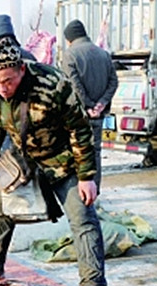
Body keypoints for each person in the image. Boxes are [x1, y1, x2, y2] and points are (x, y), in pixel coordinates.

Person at [0, 37, 106, 286]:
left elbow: (80, 130)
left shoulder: (54, 84)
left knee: (82, 217)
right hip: (22, 158)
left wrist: (86, 175)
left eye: (8, 81)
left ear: (22, 70)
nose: (3, 88)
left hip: (63, 158)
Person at [62, 19, 118, 193]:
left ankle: (81, 195)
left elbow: (73, 84)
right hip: (98, 116)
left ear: (69, 38)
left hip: (78, 116)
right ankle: (96, 192)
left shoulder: (70, 55)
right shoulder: (104, 54)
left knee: (77, 154)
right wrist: (100, 104)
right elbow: (113, 82)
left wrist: (88, 105)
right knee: (95, 153)